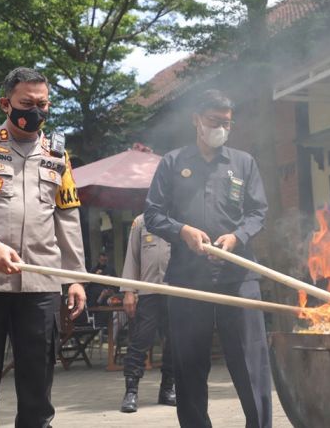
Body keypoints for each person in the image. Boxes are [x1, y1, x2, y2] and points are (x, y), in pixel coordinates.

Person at [0, 67, 86, 428]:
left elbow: (67, 217)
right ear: (6, 103)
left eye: (43, 104)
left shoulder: (58, 156)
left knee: (38, 393)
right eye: (27, 103)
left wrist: (75, 278)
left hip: (40, 287)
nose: (35, 111)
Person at [144, 89, 271, 428]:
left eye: (226, 123)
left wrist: (238, 235)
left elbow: (259, 212)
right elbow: (153, 215)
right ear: (196, 120)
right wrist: (182, 230)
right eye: (214, 121)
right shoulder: (172, 163)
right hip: (188, 278)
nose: (220, 128)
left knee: (251, 364)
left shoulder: (244, 162)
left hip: (239, 277)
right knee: (189, 366)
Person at [119, 214, 176, 413]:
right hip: (147, 291)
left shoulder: (180, 218)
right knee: (140, 341)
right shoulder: (141, 222)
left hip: (176, 291)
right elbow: (132, 258)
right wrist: (128, 291)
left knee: (174, 342)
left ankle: (168, 388)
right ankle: (131, 391)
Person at [85, 252, 119, 327]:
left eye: (105, 258)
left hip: (109, 299)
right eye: (102, 258)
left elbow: (117, 284)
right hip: (96, 301)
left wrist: (111, 291)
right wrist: (95, 276)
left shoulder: (110, 269)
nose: (103, 260)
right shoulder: (93, 270)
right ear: (98, 259)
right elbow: (88, 286)